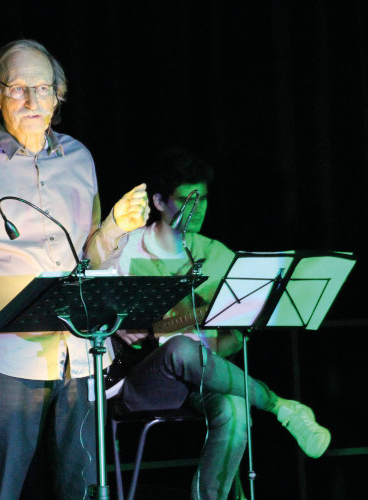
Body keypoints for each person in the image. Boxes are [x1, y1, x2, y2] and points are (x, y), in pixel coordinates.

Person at [0, 39, 149, 500]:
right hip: (4, 357)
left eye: (42, 88)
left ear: (58, 96)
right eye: (18, 87)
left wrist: (114, 229)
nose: (31, 100)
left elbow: (90, 261)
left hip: (79, 357)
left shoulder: (79, 158)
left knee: (82, 490)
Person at [103, 148, 331, 500]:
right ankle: (280, 406)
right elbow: (95, 308)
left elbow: (235, 338)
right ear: (160, 201)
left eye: (204, 198)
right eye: (186, 199)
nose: (198, 209)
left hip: (201, 378)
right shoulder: (128, 249)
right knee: (180, 348)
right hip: (140, 379)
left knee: (236, 407)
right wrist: (115, 323)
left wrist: (209, 348)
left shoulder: (217, 255)